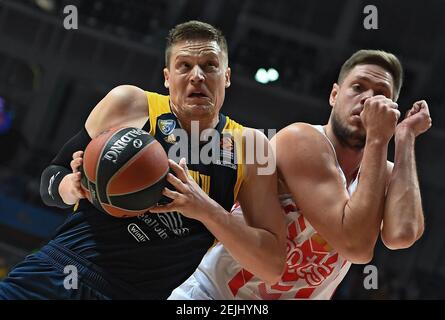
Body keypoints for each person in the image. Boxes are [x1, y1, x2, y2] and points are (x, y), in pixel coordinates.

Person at [0, 21, 286, 299]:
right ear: (166, 76)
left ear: (226, 76)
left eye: (210, 65)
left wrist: (206, 210)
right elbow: (50, 180)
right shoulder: (129, 103)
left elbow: (272, 266)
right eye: (184, 66)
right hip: (58, 271)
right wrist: (71, 186)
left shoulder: (251, 145)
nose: (197, 75)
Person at [169, 49, 432, 300]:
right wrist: (378, 138)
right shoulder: (302, 140)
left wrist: (406, 136)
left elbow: (402, 235)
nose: (367, 99)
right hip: (214, 294)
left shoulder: (380, 172)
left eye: (381, 94)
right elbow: (356, 246)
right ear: (334, 95)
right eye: (358, 87)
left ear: (391, 111)